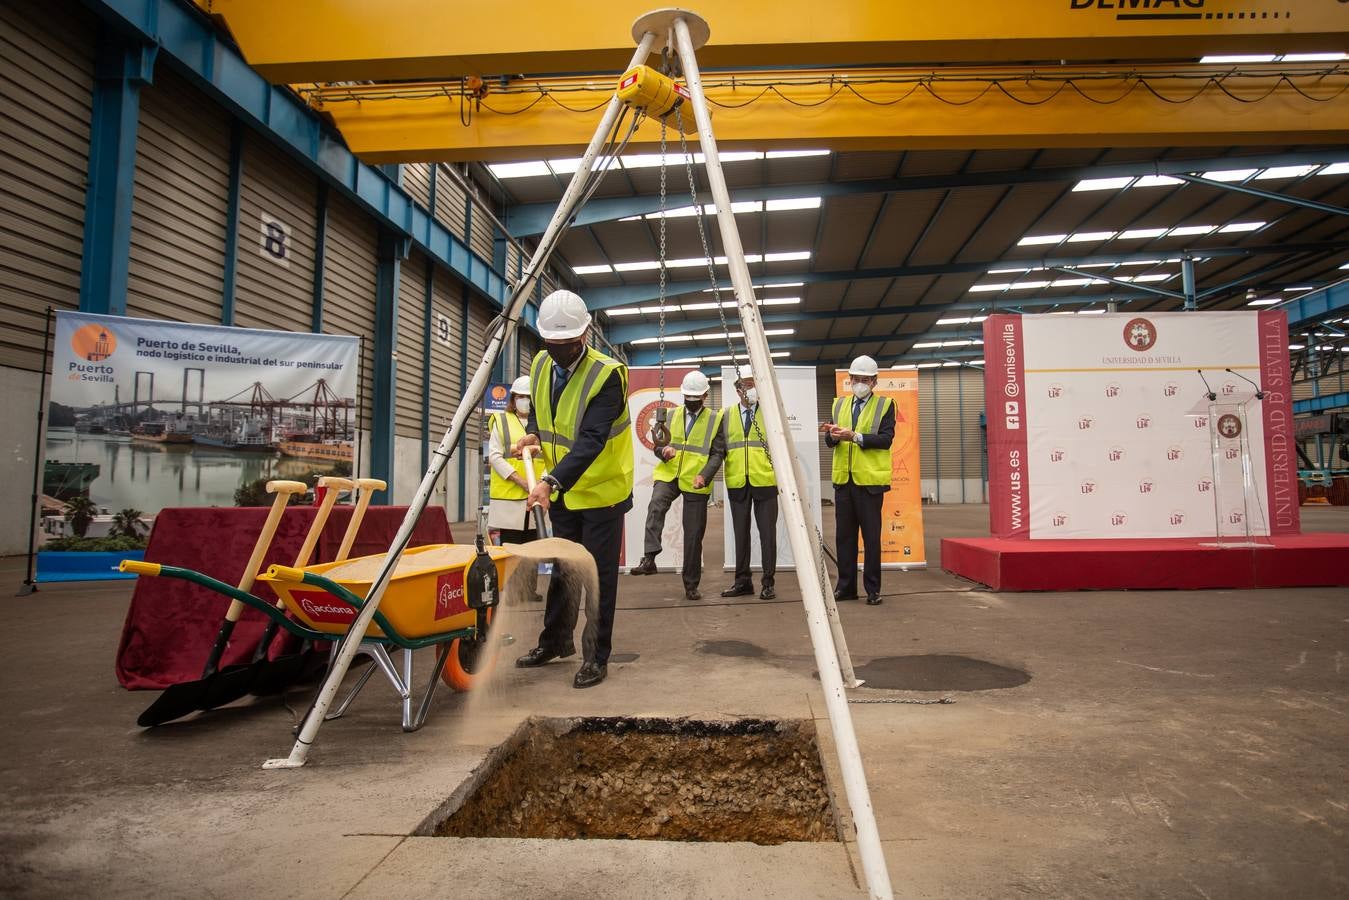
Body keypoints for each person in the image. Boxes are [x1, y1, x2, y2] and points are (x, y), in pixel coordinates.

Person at [512, 290, 634, 689]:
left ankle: (596, 656)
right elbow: (547, 415)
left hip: (602, 494)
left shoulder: (608, 375)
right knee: (563, 571)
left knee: (597, 577)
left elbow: (591, 438)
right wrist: (532, 435)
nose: (559, 351)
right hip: (565, 494)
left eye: (567, 345)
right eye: (552, 344)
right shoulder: (542, 363)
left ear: (584, 335)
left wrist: (549, 481)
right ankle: (555, 642)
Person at [629, 370, 725, 601]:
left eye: (694, 399)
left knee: (693, 534)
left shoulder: (715, 419)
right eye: (687, 398)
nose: (690, 403)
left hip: (696, 480)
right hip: (669, 474)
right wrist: (664, 451)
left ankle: (691, 585)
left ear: (704, 396)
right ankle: (650, 558)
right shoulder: (669, 415)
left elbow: (718, 453)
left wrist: (705, 475)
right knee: (656, 505)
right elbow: (657, 445)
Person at [821, 355, 895, 606]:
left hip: (870, 484)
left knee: (871, 538)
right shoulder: (838, 405)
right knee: (845, 537)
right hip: (844, 481)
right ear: (849, 380)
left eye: (865, 380)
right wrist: (832, 435)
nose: (860, 384)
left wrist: (855, 436)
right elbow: (830, 442)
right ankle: (846, 587)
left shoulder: (886, 405)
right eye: (856, 379)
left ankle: (873, 589)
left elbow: (885, 439)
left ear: (874, 382)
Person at [720, 365, 778, 600]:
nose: (750, 390)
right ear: (738, 389)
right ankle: (742, 581)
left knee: (767, 535)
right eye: (746, 385)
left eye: (754, 384)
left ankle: (768, 583)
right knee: (740, 535)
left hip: (764, 482)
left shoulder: (770, 413)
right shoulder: (727, 416)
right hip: (737, 483)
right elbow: (719, 449)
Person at [486, 375, 545, 602]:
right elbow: (494, 456)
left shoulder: (542, 426)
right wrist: (520, 480)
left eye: (529, 398)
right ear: (513, 398)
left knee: (532, 546)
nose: (525, 401)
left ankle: (529, 590)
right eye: (521, 397)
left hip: (536, 494)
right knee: (511, 547)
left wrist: (542, 484)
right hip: (509, 496)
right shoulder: (501, 421)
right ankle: (510, 591)